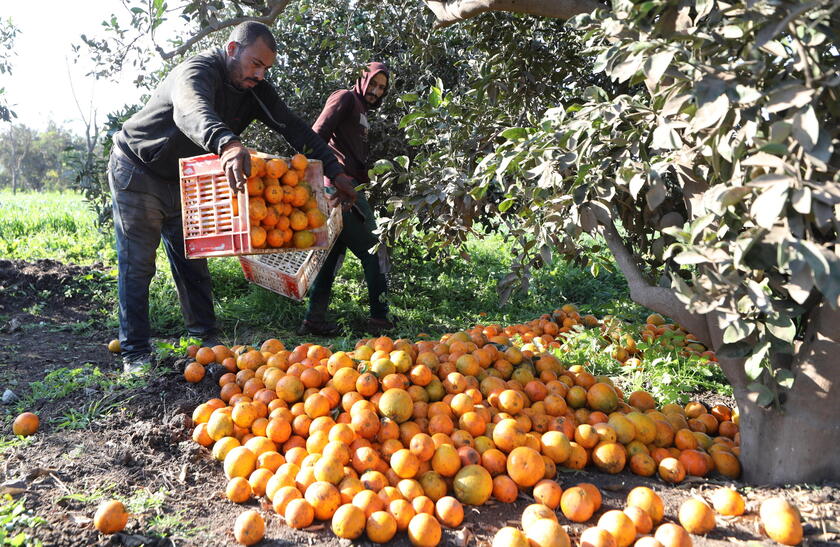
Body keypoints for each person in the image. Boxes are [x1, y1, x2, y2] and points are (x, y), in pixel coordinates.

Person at [109, 21, 357, 372]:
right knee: (137, 264)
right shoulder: (196, 71)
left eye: (266, 68)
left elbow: (294, 128)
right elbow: (191, 110)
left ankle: (205, 340)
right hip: (138, 170)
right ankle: (134, 352)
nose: (260, 74)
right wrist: (226, 142)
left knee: (193, 258)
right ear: (231, 49)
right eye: (255, 63)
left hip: (184, 179)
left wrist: (335, 169)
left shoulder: (254, 89)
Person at [298, 63, 394, 336]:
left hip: (345, 188)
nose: (376, 91)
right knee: (374, 250)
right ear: (362, 79)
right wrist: (332, 178)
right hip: (341, 190)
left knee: (331, 254)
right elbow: (315, 136)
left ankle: (314, 320)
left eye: (381, 88)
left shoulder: (361, 108)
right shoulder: (344, 98)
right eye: (373, 84)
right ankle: (380, 319)